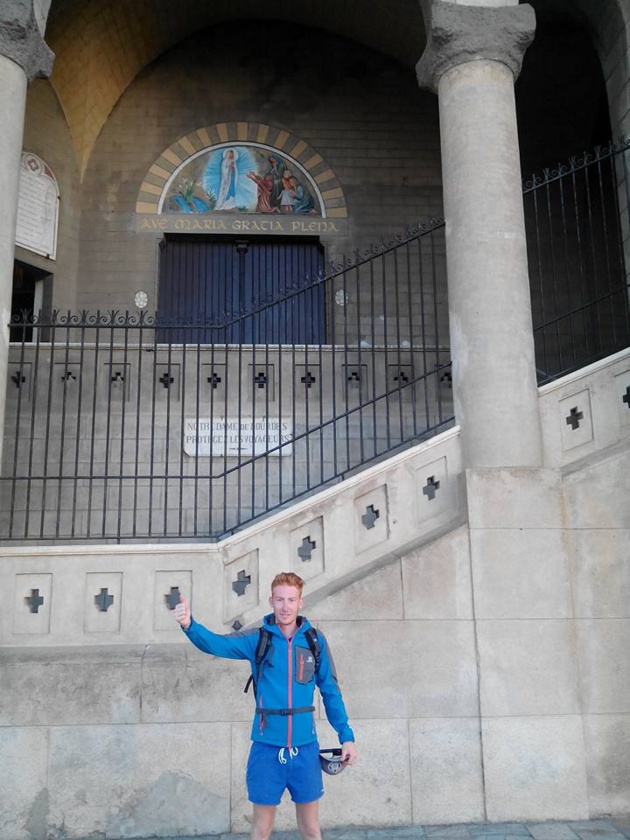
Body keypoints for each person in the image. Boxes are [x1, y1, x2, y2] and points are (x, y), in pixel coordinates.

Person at [174, 571, 357, 840]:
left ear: (300, 603)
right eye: (280, 600)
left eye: (291, 600)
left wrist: (347, 737)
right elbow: (216, 644)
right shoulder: (258, 639)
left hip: (305, 748)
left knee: (311, 829)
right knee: (261, 829)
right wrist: (190, 625)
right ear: (271, 601)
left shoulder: (315, 641)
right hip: (266, 748)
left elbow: (330, 691)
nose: (285, 606)